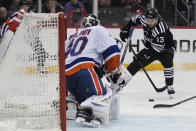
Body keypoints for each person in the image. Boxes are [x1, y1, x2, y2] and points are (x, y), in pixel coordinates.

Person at [65, 14, 129, 127]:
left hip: (66, 77)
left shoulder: (72, 36)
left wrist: (103, 70)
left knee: (83, 91)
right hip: (84, 70)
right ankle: (86, 113)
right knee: (106, 93)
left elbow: (63, 58)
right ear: (96, 23)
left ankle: (70, 105)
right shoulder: (98, 30)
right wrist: (113, 72)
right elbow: (113, 54)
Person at [119, 8, 176, 95]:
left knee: (168, 61)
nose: (149, 23)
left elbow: (157, 49)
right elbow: (134, 19)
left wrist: (143, 55)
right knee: (137, 63)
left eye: (152, 21)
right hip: (152, 47)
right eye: (147, 20)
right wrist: (126, 28)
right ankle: (122, 83)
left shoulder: (160, 29)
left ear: (156, 19)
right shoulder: (143, 19)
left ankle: (170, 85)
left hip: (166, 48)